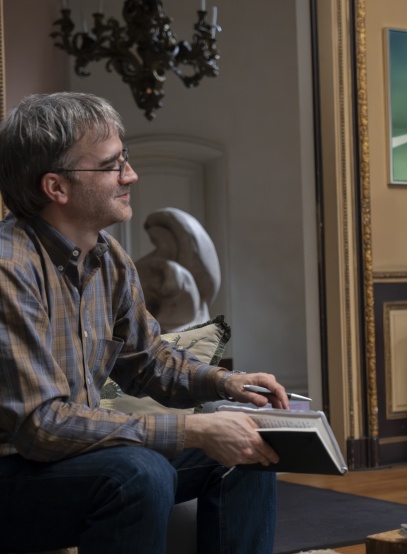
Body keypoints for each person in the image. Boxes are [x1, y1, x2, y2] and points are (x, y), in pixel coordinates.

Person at [0, 92, 289, 553]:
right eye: (111, 166)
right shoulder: (9, 269)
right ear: (56, 187)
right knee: (139, 472)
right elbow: (41, 426)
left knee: (246, 450)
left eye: (125, 160)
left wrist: (226, 383)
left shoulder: (109, 258)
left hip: (67, 459)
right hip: (13, 470)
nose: (130, 175)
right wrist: (193, 430)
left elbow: (148, 361)